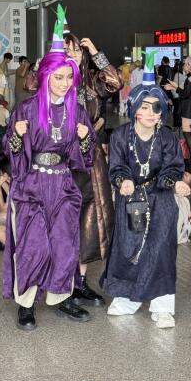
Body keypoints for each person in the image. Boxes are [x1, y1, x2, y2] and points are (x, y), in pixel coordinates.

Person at [2, 10, 95, 331]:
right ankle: (26, 303)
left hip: (64, 185)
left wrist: (85, 139)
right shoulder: (27, 108)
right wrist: (16, 136)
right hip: (32, 185)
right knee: (33, 245)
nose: (65, 83)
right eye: (59, 77)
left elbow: (86, 156)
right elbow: (9, 149)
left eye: (69, 77)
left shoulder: (76, 111)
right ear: (45, 77)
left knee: (64, 244)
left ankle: (61, 296)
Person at [100, 52, 188, 329]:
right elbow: (116, 167)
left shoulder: (168, 137)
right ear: (135, 108)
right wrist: (123, 181)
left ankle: (163, 306)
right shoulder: (119, 135)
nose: (151, 113)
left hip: (161, 199)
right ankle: (128, 299)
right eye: (146, 107)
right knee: (128, 248)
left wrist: (175, 182)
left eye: (157, 108)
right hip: (131, 199)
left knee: (161, 249)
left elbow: (174, 167)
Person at [63, 27, 123, 307]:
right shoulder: (52, 80)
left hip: (90, 156)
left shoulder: (91, 79)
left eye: (77, 49)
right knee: (62, 217)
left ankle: (81, 282)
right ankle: (62, 281)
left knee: (90, 217)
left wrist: (97, 54)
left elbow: (115, 83)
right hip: (60, 158)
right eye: (67, 50)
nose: (73, 54)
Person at [166, 55, 191, 174]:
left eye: (185, 63)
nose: (183, 65)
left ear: (189, 66)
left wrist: (173, 87)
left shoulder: (190, 79)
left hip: (188, 107)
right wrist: (175, 86)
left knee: (187, 133)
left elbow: (185, 94)